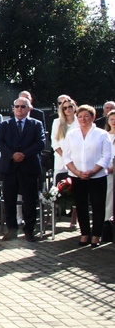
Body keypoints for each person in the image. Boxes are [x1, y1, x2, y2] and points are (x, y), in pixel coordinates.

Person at [0, 96, 46, 242]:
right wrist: (12, 154)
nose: (19, 109)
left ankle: (29, 230)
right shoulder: (5, 125)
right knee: (9, 200)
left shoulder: (36, 124)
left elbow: (41, 143)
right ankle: (12, 230)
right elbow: (0, 142)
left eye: (23, 107)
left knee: (30, 200)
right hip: (9, 167)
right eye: (17, 106)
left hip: (28, 167)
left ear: (29, 109)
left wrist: (24, 154)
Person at [62, 105, 112, 247]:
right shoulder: (72, 135)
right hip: (77, 176)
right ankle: (85, 234)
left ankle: (96, 235)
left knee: (98, 206)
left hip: (97, 176)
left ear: (93, 117)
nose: (83, 119)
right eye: (80, 116)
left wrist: (93, 171)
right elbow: (67, 156)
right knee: (81, 205)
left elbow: (106, 156)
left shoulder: (102, 134)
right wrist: (77, 172)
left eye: (86, 116)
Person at [50, 99, 79, 226]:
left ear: (74, 107)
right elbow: (54, 142)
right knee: (57, 189)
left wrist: (72, 160)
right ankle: (55, 216)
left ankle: (74, 217)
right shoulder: (57, 122)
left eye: (70, 107)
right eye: (65, 107)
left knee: (76, 189)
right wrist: (66, 158)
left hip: (77, 161)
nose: (68, 109)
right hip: (61, 161)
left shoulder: (79, 121)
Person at [104, 110, 115, 224]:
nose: (114, 121)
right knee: (108, 200)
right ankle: (107, 225)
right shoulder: (105, 135)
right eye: (111, 119)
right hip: (107, 172)